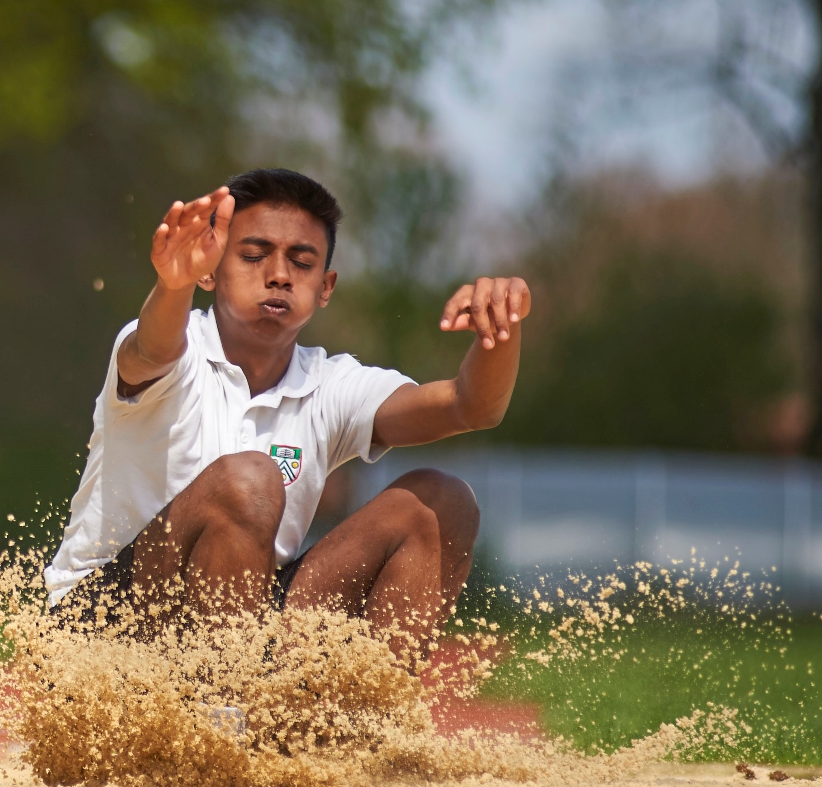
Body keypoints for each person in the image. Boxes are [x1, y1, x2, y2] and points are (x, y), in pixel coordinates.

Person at [44, 168, 531, 663]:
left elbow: (471, 407)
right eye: (254, 256)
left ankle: (360, 726)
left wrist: (501, 332)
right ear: (209, 271)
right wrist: (173, 287)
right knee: (250, 478)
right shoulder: (175, 347)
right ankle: (220, 717)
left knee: (442, 503)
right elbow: (149, 352)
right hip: (103, 626)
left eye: (301, 262)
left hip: (242, 626)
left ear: (325, 287)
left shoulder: (331, 383)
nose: (278, 274)